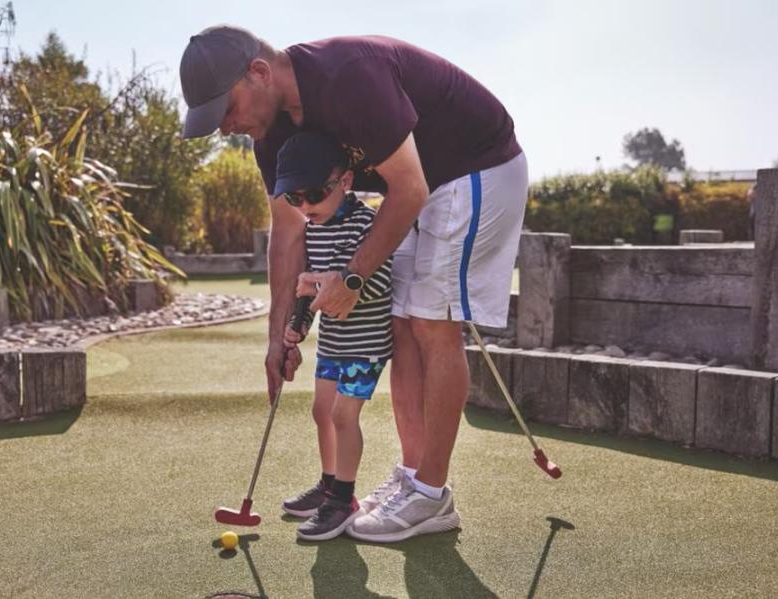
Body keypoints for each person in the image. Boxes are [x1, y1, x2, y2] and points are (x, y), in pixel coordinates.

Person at [180, 26, 527, 542]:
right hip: (412, 186)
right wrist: (277, 337)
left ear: (258, 72)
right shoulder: (269, 135)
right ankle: (413, 480)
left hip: (473, 167)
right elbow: (288, 233)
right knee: (402, 324)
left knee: (433, 323)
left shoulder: (347, 77)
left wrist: (351, 276)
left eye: (226, 109)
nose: (226, 126)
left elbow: (409, 187)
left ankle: (432, 495)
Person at [273, 131, 393, 541]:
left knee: (344, 415)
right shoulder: (315, 226)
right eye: (294, 199)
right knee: (321, 411)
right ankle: (328, 484)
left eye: (311, 195)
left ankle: (344, 500)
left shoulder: (367, 224)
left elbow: (378, 284)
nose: (304, 207)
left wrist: (327, 282)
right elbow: (309, 289)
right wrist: (299, 322)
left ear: (344, 181)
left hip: (367, 342)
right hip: (334, 342)